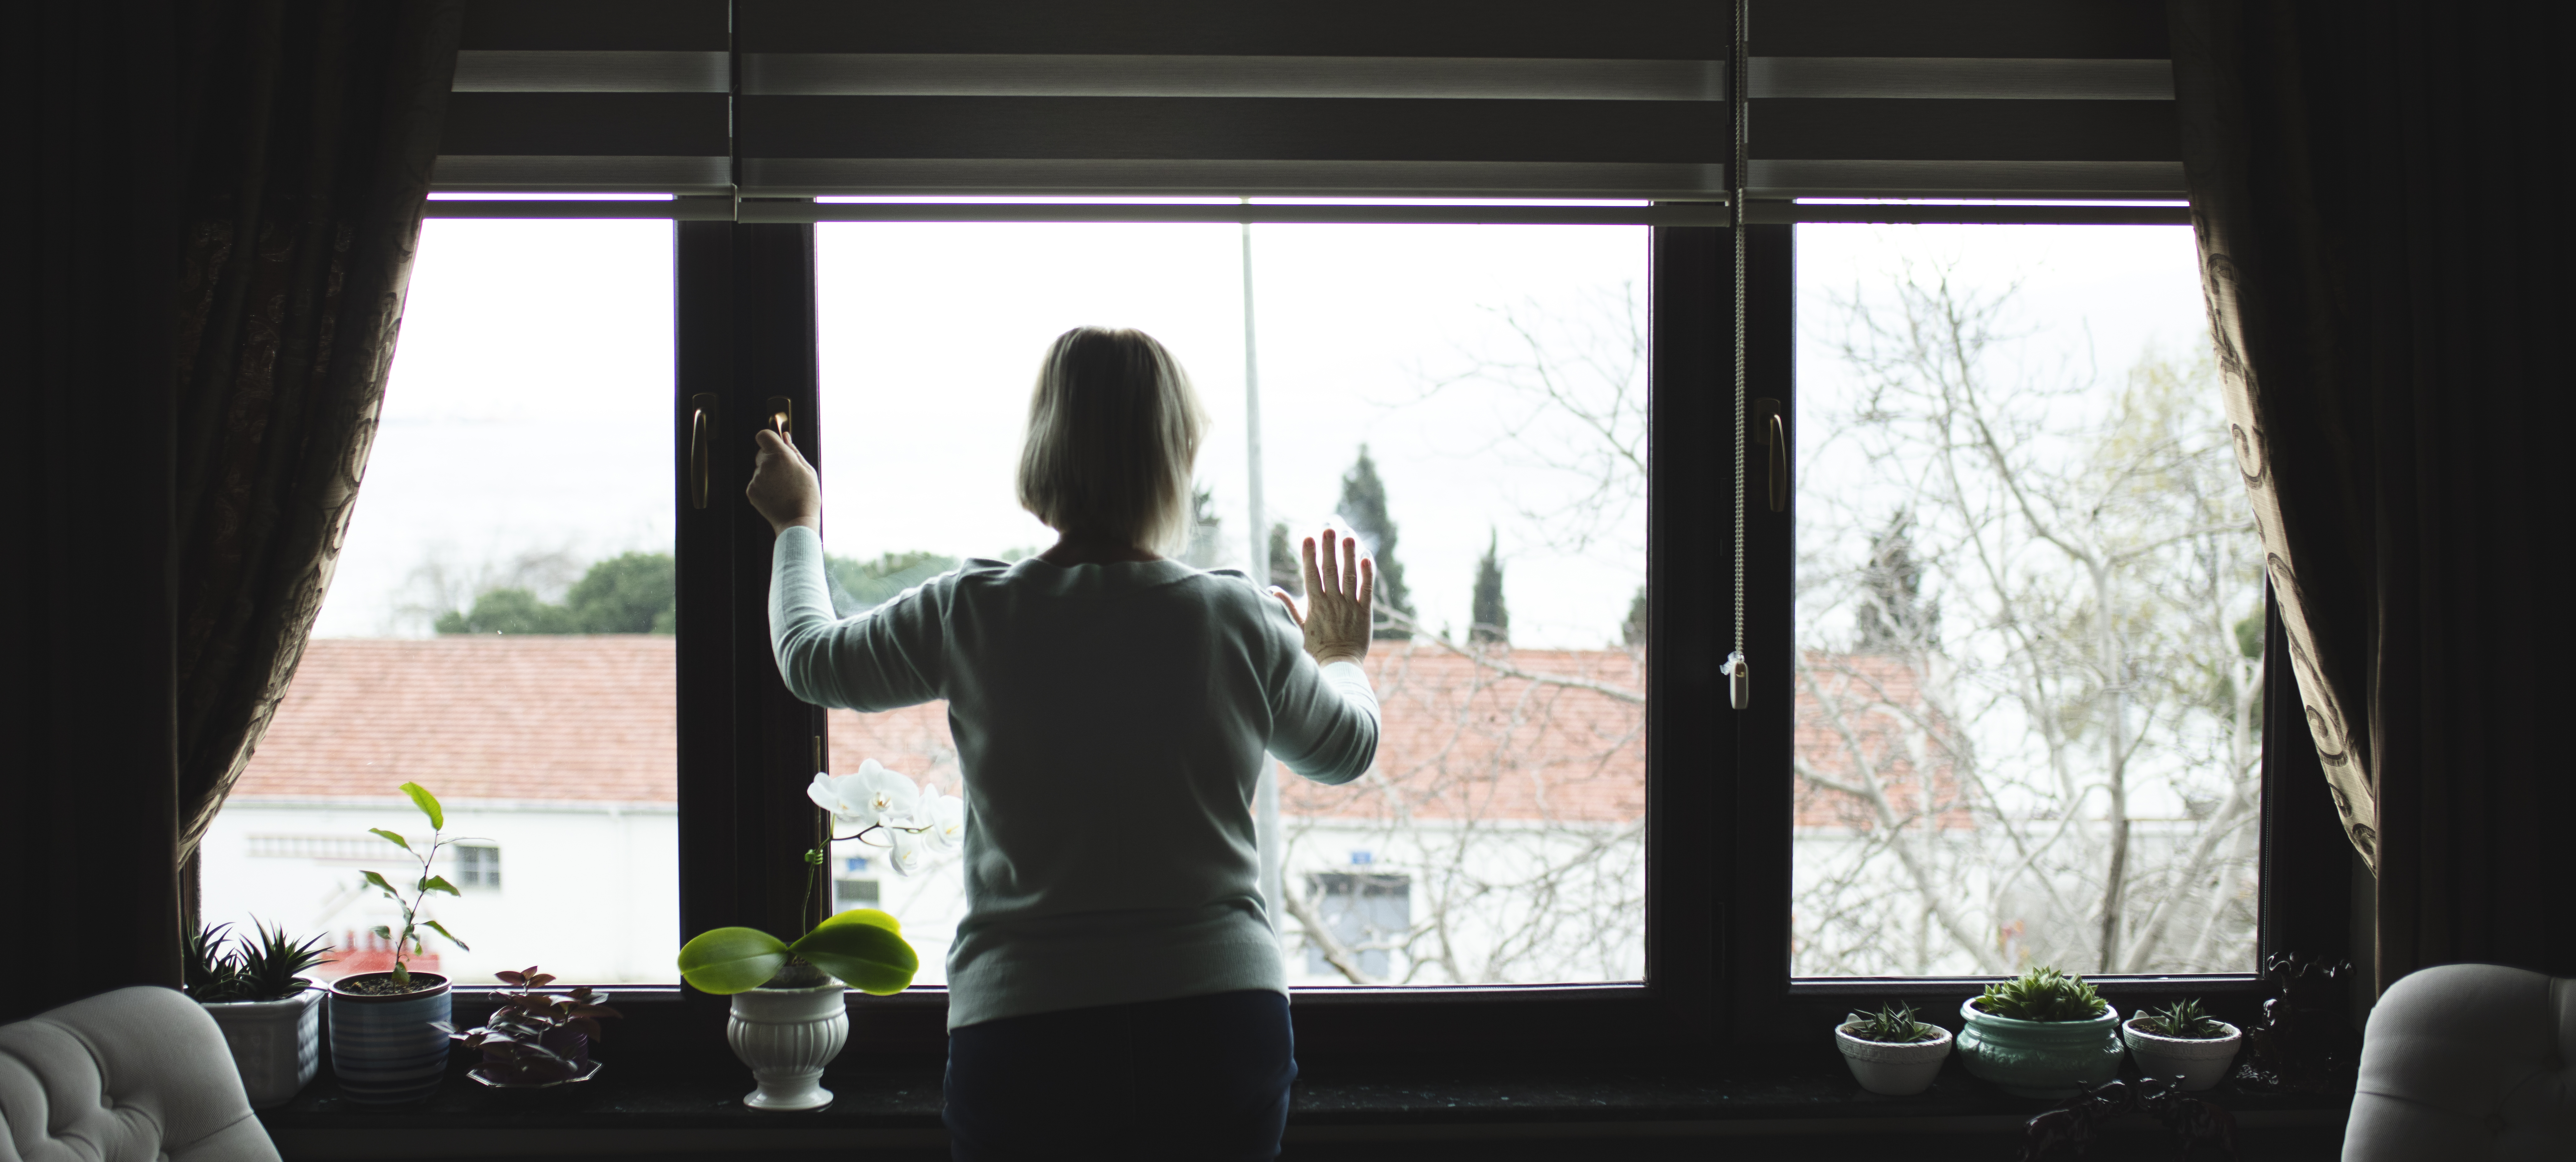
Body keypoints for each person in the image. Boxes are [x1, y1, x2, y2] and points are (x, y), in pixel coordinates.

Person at [743, 325, 1381, 1160]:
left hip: (1025, 1034)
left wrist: (797, 522)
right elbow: (1345, 751)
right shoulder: (1236, 616)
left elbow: (808, 660)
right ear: (1176, 457)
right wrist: (1339, 658)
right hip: (1217, 1025)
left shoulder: (972, 609)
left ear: (1043, 448)